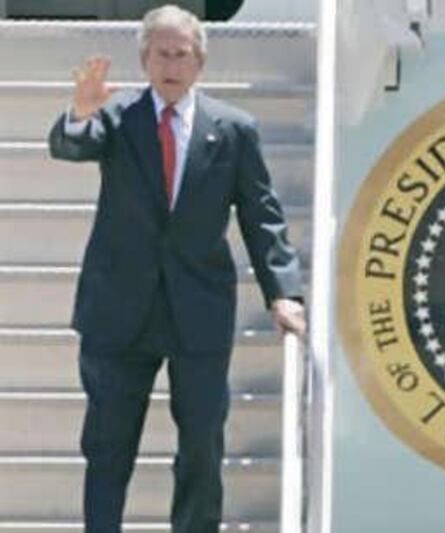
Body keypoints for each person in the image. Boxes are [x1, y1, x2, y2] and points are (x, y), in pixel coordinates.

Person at [47, 5, 306, 532]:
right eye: (160, 53)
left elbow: (263, 217)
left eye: (180, 53)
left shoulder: (233, 130)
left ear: (200, 62)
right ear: (144, 60)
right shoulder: (116, 116)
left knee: (201, 447)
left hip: (199, 311)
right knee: (108, 448)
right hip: (119, 312)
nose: (170, 63)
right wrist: (79, 111)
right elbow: (72, 146)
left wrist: (284, 293)